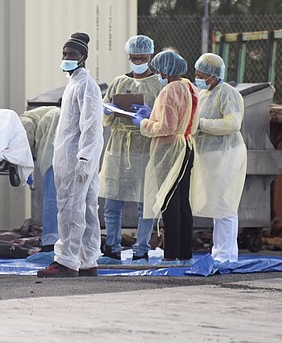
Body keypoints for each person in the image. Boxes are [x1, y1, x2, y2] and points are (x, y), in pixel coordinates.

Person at [37, 32, 104, 278]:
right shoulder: (73, 84)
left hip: (77, 160)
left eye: (72, 54)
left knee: (71, 210)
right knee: (85, 209)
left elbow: (91, 125)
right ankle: (87, 260)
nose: (66, 58)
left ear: (83, 57)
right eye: (64, 54)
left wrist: (85, 158)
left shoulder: (86, 85)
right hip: (73, 158)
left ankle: (65, 261)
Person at [99, 35, 163, 265]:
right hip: (118, 148)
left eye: (142, 58)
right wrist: (107, 110)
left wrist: (149, 115)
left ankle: (142, 249)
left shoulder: (159, 85)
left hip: (145, 147)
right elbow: (105, 111)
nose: (137, 61)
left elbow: (164, 119)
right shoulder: (118, 82)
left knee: (145, 204)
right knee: (112, 202)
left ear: (150, 56)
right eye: (134, 58)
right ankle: (112, 248)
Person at [133, 50, 199, 266]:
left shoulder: (169, 91)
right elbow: (179, 119)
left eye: (158, 70)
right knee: (182, 202)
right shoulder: (190, 87)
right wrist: (152, 113)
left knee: (169, 202)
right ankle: (184, 254)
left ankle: (170, 255)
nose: (157, 74)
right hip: (187, 146)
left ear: (165, 70)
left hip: (170, 150)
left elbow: (166, 126)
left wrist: (143, 123)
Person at [190, 53, 247, 263]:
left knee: (225, 205)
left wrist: (202, 124)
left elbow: (232, 123)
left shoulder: (228, 93)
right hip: (210, 156)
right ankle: (219, 252)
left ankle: (227, 255)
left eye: (201, 75)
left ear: (214, 75)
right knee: (217, 204)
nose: (198, 79)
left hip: (226, 155)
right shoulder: (205, 94)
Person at [20, 106, 61, 263]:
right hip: (68, 152)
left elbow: (26, 148)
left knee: (52, 199)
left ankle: (50, 246)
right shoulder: (43, 114)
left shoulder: (22, 121)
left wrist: (24, 168)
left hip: (53, 153)